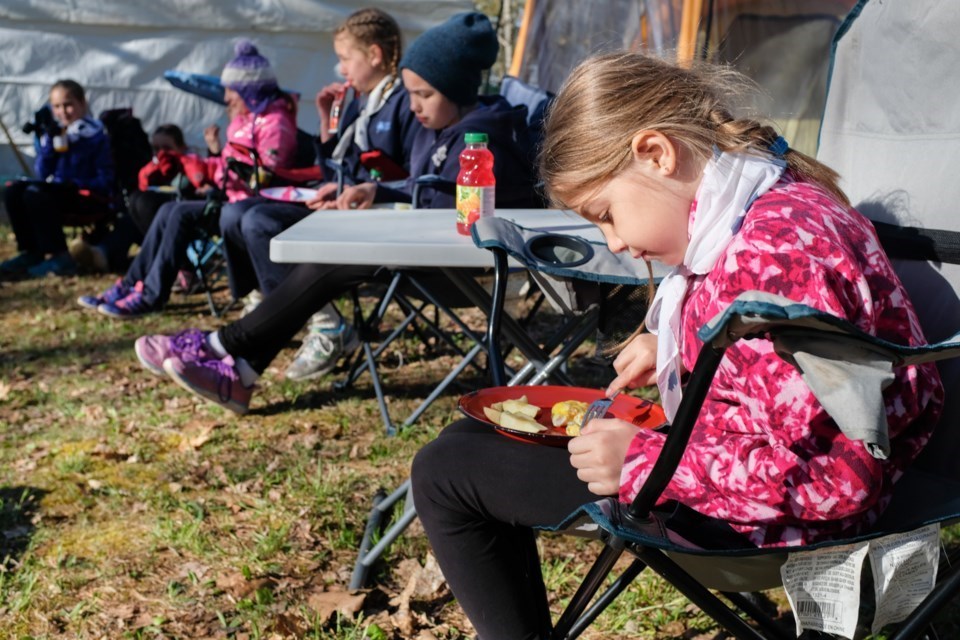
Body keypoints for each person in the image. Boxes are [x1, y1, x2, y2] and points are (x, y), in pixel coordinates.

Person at [408, 52, 945, 639]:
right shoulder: (767, 198)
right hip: (730, 468)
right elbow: (774, 366)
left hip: (773, 524)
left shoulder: (775, 261)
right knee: (471, 435)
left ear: (656, 154)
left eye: (606, 215)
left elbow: (833, 477)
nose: (616, 242)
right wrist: (678, 338)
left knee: (446, 470)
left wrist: (641, 462)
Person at [132, 11, 540, 412]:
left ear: (456, 88)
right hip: (432, 253)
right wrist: (376, 189)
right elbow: (421, 190)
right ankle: (238, 370)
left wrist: (381, 196)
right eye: (411, 92)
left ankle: (221, 347)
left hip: (471, 270)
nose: (413, 105)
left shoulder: (487, 137)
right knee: (323, 252)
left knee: (335, 258)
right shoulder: (442, 126)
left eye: (424, 94)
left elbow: (450, 206)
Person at [218, 7, 421, 379]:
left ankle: (323, 323)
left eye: (345, 58)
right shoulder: (360, 100)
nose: (341, 69)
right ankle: (266, 305)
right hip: (342, 203)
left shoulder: (406, 102)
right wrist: (328, 122)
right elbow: (337, 167)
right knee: (235, 212)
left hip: (374, 217)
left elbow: (404, 174)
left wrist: (367, 189)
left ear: (374, 55)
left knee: (259, 220)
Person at [75, 39, 299, 318]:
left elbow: (267, 176)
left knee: (179, 212)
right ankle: (132, 283)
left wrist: (218, 170)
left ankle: (151, 295)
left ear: (249, 90)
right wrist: (201, 166)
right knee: (166, 207)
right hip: (226, 196)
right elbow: (228, 163)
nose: (226, 96)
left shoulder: (276, 123)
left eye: (232, 90)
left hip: (246, 206)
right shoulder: (244, 118)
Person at [1, 79, 115, 278]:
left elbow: (106, 180)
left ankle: (60, 257)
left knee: (35, 195)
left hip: (86, 196)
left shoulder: (96, 137)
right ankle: (31, 252)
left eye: (68, 105)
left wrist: (76, 183)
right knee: (13, 190)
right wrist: (48, 146)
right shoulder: (56, 135)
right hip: (57, 192)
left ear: (82, 104)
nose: (63, 111)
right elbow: (43, 173)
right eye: (56, 106)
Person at [70, 123, 215, 273]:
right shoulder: (154, 169)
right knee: (131, 212)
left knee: (144, 206)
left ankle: (112, 256)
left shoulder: (191, 163)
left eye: (166, 148)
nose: (161, 153)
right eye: (156, 148)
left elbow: (203, 185)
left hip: (181, 221)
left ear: (182, 146)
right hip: (152, 224)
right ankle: (103, 254)